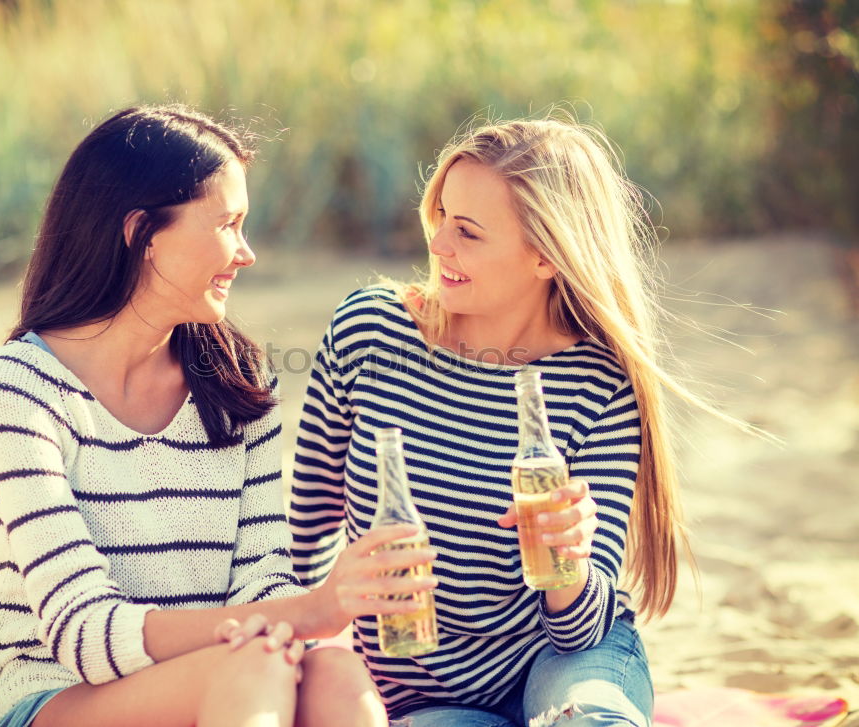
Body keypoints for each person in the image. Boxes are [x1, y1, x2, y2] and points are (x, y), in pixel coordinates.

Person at [0, 104, 434, 727]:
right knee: (254, 667)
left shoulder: (237, 380)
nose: (246, 253)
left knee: (335, 676)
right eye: (228, 224)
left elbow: (263, 580)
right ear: (141, 234)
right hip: (53, 695)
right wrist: (308, 614)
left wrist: (287, 622)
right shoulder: (19, 388)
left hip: (228, 670)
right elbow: (85, 635)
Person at [289, 116, 716, 727]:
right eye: (440, 216)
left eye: (467, 232)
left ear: (546, 255)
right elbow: (304, 538)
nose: (438, 245)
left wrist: (567, 558)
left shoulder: (599, 383)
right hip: (425, 690)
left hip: (567, 656)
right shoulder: (369, 332)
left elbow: (578, 631)